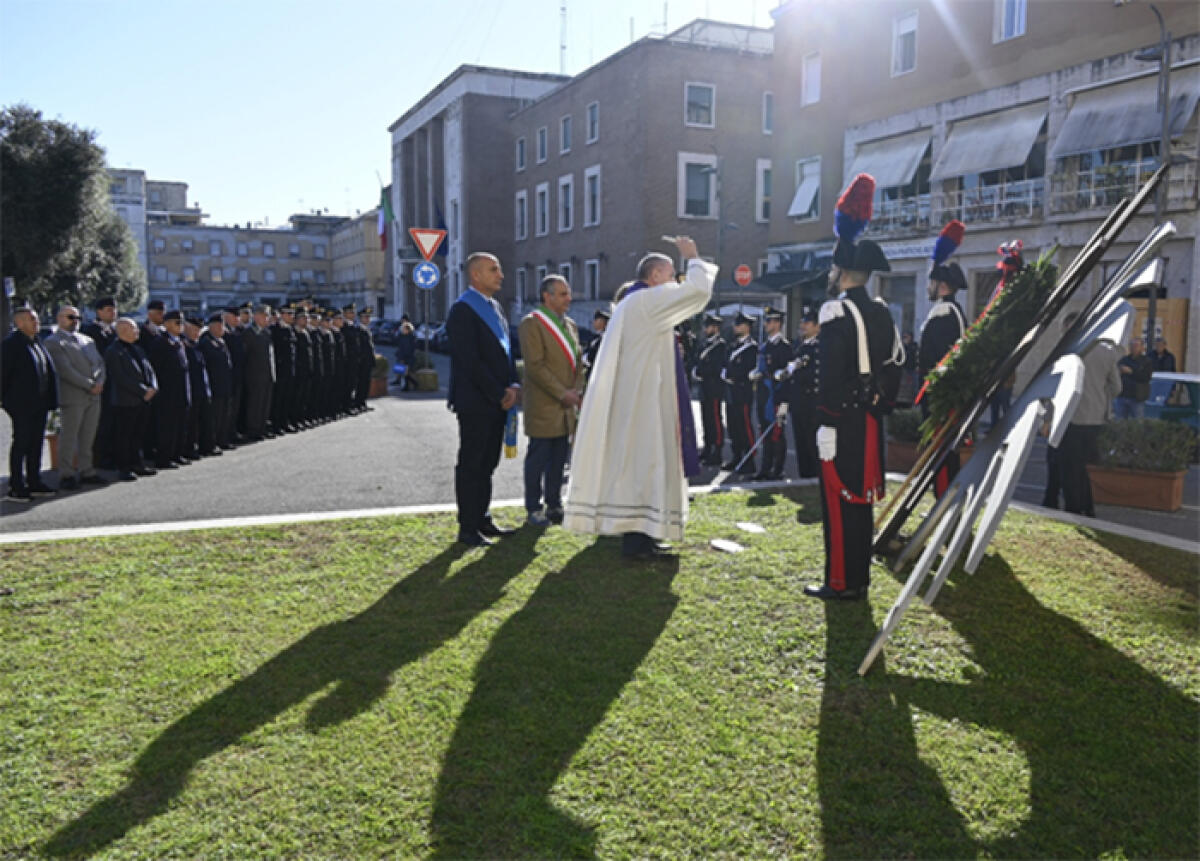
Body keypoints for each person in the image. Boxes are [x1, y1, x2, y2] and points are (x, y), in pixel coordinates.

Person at [563, 236, 716, 559]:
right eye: (671, 274)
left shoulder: (635, 302)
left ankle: (646, 535)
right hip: (642, 403)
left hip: (641, 399)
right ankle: (636, 542)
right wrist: (693, 256)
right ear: (655, 276)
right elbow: (697, 292)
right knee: (642, 466)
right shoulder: (645, 301)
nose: (675, 281)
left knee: (646, 465)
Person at [807, 173, 904, 601]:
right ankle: (858, 579)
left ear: (843, 271)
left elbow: (831, 375)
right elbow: (898, 362)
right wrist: (880, 402)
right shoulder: (881, 311)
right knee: (861, 502)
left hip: (842, 422)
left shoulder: (835, 312)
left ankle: (841, 582)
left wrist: (827, 422)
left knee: (839, 500)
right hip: (868, 420)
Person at [446, 252, 522, 547]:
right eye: (493, 270)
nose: (500, 275)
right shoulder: (462, 310)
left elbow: (506, 351)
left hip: (497, 399)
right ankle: (467, 527)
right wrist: (499, 392)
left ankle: (482, 518)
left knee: (488, 463)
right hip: (476, 401)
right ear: (475, 274)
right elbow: (469, 361)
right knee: (472, 463)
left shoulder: (494, 307)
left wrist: (513, 383)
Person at [518, 274, 582, 526]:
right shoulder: (532, 324)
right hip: (545, 404)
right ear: (547, 296)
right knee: (539, 458)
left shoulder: (571, 325)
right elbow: (535, 366)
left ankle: (554, 504)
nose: (569, 298)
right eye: (563, 294)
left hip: (566, 406)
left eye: (569, 293)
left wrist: (576, 391)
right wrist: (562, 393)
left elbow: (577, 363)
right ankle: (533, 507)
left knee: (559, 459)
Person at [918, 219, 968, 497]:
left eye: (932, 281)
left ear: (943, 286)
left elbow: (933, 359)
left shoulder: (943, 314)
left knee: (941, 452)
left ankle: (944, 498)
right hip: (945, 395)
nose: (929, 286)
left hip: (939, 396)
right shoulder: (952, 311)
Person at [1061, 313, 1122, 516]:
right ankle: (1087, 506)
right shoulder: (1107, 352)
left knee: (1071, 466)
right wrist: (1101, 397)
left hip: (1072, 416)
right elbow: (1117, 387)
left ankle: (1074, 506)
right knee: (1083, 465)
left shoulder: (1070, 351)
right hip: (1096, 417)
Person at [44, 305, 108, 489]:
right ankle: (67, 473)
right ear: (59, 318)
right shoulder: (54, 342)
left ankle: (87, 470)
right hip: (73, 396)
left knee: (88, 435)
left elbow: (99, 364)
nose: (75, 321)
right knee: (69, 437)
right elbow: (65, 370)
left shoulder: (87, 340)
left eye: (77, 318)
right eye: (70, 317)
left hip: (94, 395)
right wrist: (90, 385)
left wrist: (99, 382)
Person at [2, 306, 58, 501]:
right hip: (21, 404)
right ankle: (16, 485)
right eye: (31, 319)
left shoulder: (37, 342)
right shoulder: (11, 345)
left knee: (36, 443)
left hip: (40, 402)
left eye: (36, 319)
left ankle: (35, 481)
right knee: (22, 443)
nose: (36, 322)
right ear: (19, 323)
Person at [104, 318, 158, 481]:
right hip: (125, 400)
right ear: (123, 330)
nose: (138, 331)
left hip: (143, 400)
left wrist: (153, 386)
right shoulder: (114, 351)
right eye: (134, 329)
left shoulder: (138, 349)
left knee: (138, 434)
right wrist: (143, 390)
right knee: (124, 435)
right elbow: (120, 377)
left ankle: (137, 463)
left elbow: (149, 369)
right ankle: (124, 468)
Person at [779, 307, 821, 479]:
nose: (803, 326)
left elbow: (815, 375)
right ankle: (804, 477)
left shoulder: (819, 347)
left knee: (812, 444)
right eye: (802, 322)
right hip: (798, 402)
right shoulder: (799, 345)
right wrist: (785, 400)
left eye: (807, 323)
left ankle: (815, 478)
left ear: (817, 326)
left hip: (811, 402)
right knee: (801, 444)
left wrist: (795, 371)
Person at [147, 310, 192, 468]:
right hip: (167, 393)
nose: (181, 325)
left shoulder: (181, 341)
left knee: (180, 426)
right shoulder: (160, 343)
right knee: (167, 428)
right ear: (166, 324)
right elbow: (156, 369)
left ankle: (177, 454)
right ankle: (164, 458)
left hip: (182, 391)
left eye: (182, 322)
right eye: (177, 322)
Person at [752, 306, 791, 480]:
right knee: (764, 432)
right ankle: (765, 467)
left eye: (769, 321)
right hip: (764, 394)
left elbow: (787, 376)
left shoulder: (784, 347)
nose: (766, 324)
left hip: (776, 396)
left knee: (777, 433)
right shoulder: (765, 346)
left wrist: (784, 402)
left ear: (777, 324)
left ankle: (778, 469)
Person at [81, 296, 118, 468]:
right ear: (99, 312)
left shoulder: (114, 331)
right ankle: (100, 457)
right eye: (109, 310)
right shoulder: (91, 332)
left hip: (115, 383)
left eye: (114, 310)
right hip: (100, 383)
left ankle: (112, 454)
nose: (113, 313)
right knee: (101, 422)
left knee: (113, 421)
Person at [722, 311, 758, 475]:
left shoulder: (751, 348)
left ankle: (749, 460)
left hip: (743, 391)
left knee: (745, 427)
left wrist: (731, 374)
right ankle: (737, 456)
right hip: (731, 391)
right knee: (733, 426)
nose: (735, 327)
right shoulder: (733, 345)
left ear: (747, 327)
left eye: (738, 325)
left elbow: (747, 369)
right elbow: (726, 363)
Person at [692, 311, 727, 467]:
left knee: (715, 420)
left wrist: (701, 371)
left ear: (716, 328)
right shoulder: (704, 344)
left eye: (708, 326)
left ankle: (717, 450)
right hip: (704, 387)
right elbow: (697, 361)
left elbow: (716, 367)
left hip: (714, 387)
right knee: (705, 418)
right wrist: (696, 371)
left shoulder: (720, 345)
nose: (705, 329)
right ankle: (707, 447)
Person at [198, 314, 234, 451]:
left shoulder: (221, 341)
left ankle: (222, 440)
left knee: (224, 415)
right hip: (214, 385)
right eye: (219, 326)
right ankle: (210, 444)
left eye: (222, 326)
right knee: (214, 417)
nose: (222, 329)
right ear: (211, 327)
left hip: (225, 385)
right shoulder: (206, 342)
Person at [182, 317, 213, 459]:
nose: (197, 333)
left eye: (199, 330)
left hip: (202, 388)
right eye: (194, 330)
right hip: (192, 389)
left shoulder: (197, 345)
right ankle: (189, 449)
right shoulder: (184, 346)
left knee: (203, 420)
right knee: (191, 423)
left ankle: (204, 446)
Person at [243, 304, 276, 440]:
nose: (267, 318)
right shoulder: (249, 333)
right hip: (255, 376)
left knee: (264, 403)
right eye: (264, 315)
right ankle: (253, 430)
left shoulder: (266, 332)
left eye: (268, 315)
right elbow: (245, 357)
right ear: (256, 316)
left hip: (267, 374)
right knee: (254, 404)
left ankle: (262, 428)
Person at [270, 306, 298, 434]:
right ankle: (276, 425)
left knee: (287, 398)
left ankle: (284, 422)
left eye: (292, 314)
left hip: (290, 370)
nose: (292, 316)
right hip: (280, 371)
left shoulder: (290, 329)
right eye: (289, 314)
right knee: (278, 399)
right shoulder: (275, 330)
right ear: (282, 315)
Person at [1115, 337, 1153, 419]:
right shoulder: (1124, 360)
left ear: (1142, 347)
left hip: (1137, 398)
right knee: (1119, 422)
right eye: (1131, 345)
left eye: (1136, 345)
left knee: (1137, 423)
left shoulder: (1147, 361)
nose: (1133, 347)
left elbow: (1146, 378)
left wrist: (1131, 372)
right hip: (1122, 395)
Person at [581, 308, 609, 385]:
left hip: (597, 374)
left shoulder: (604, 338)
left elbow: (591, 356)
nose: (594, 322)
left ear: (602, 322)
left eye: (596, 320)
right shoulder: (594, 337)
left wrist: (584, 359)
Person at [357, 308, 376, 411]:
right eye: (365, 317)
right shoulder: (359, 330)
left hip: (368, 362)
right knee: (361, 384)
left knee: (366, 383)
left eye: (369, 317)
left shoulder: (367, 329)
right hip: (362, 362)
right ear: (361, 318)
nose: (368, 319)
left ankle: (363, 402)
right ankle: (358, 403)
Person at [394, 321, 417, 390]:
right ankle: (413, 383)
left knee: (406, 373)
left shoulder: (410, 337)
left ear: (408, 330)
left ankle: (408, 386)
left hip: (407, 357)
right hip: (402, 356)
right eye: (402, 329)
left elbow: (409, 348)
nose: (403, 330)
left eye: (404, 329)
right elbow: (400, 346)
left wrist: (404, 357)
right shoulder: (402, 336)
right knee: (403, 372)